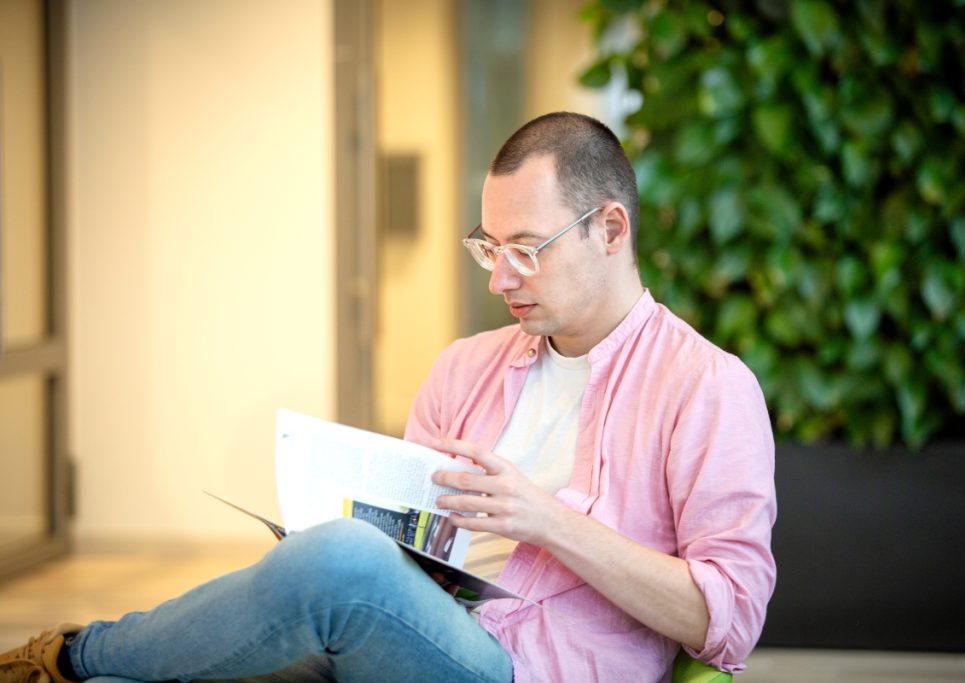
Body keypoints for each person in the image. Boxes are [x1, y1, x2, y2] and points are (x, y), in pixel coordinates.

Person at [0, 111, 776, 683]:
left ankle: (66, 652)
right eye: (488, 247)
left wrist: (546, 520)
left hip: (535, 666)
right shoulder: (466, 369)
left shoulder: (707, 387)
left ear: (611, 229)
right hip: (402, 638)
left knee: (338, 562)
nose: (500, 277)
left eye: (525, 250)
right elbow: (419, 555)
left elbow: (729, 620)